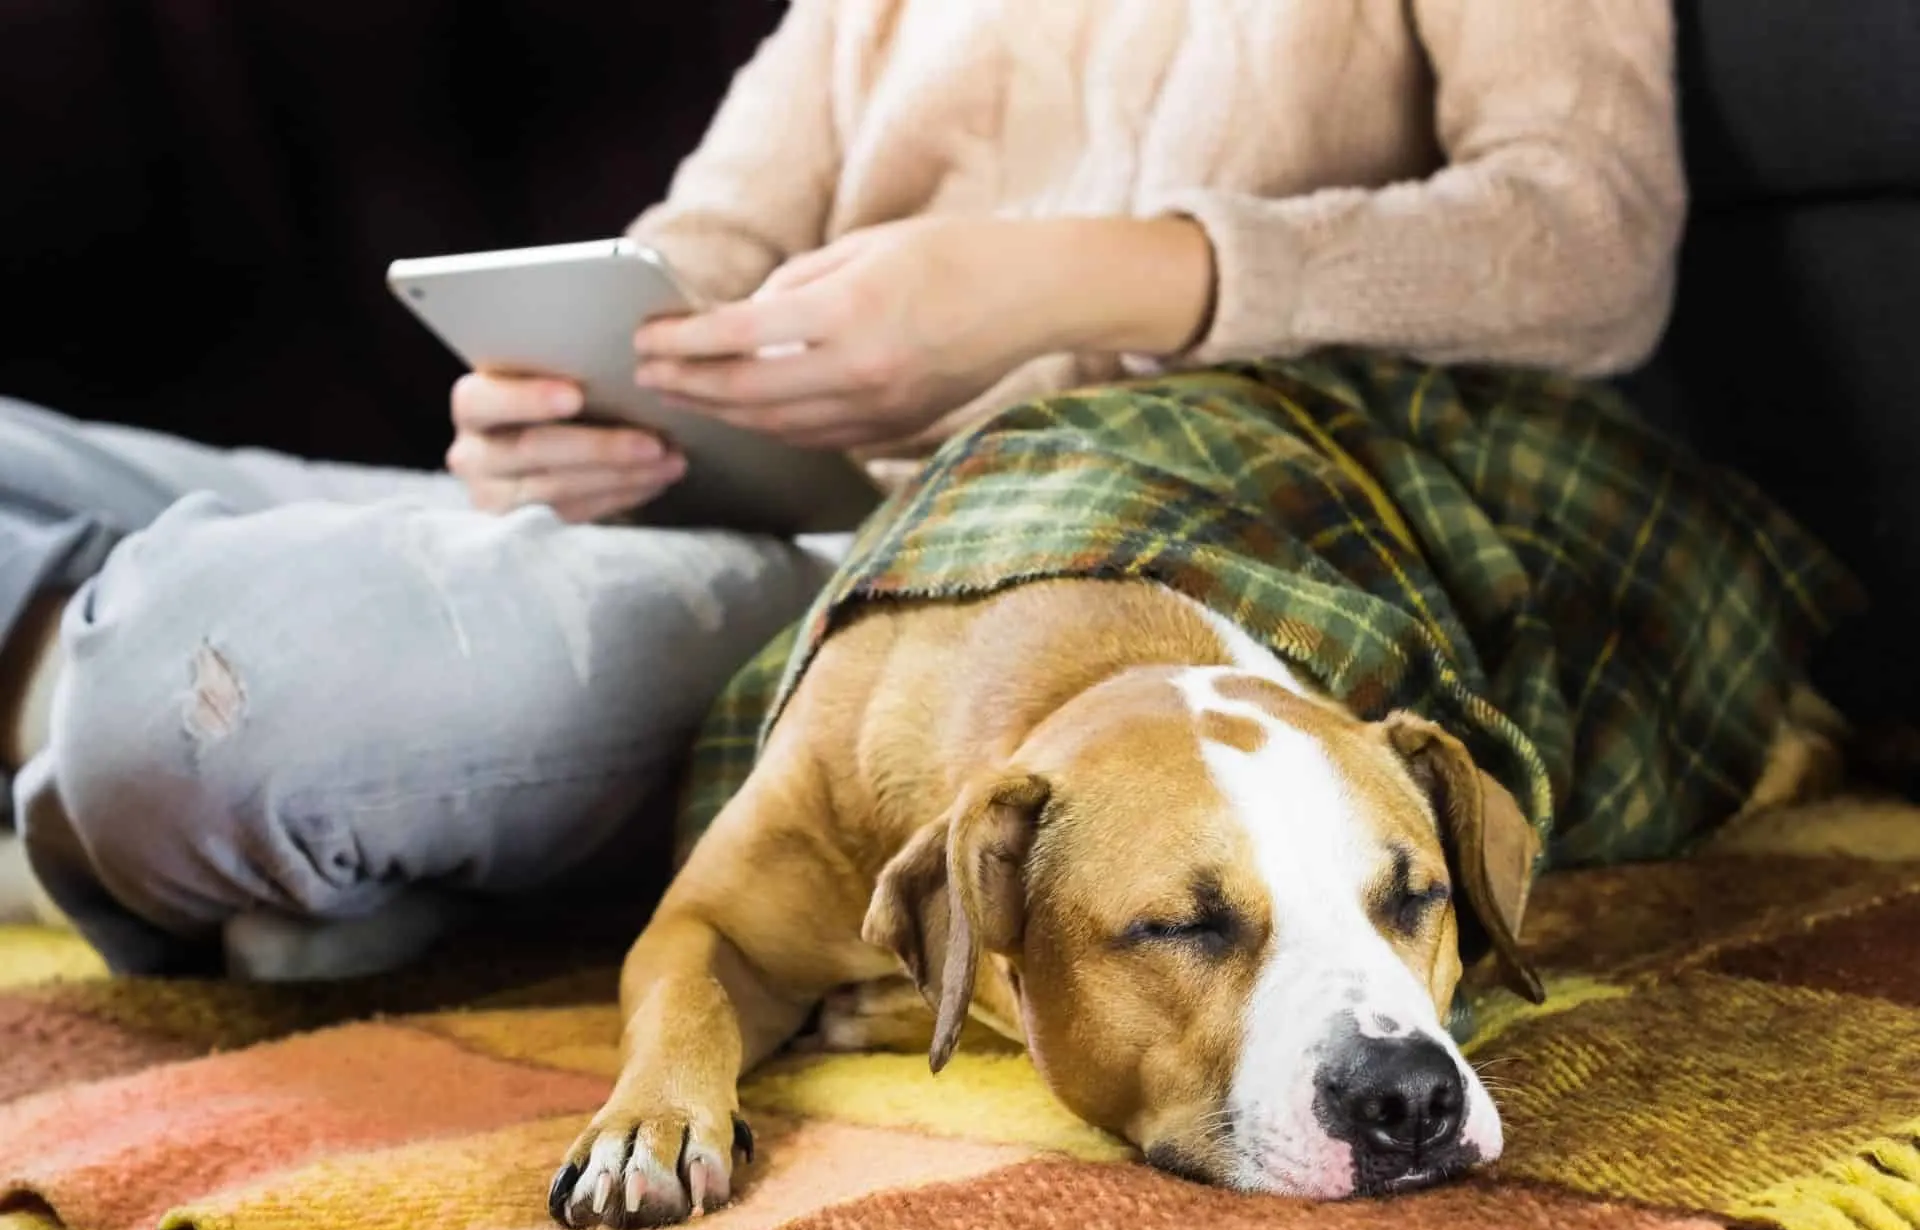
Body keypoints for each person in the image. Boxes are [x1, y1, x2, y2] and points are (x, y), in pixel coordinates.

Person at [1, 0, 1688, 978]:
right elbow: (701, 251)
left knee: (209, 692)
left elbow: (1587, 238)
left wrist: (1066, 287)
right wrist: (570, 405)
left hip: (941, 583)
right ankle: (146, 690)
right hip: (727, 498)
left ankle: (107, 673)